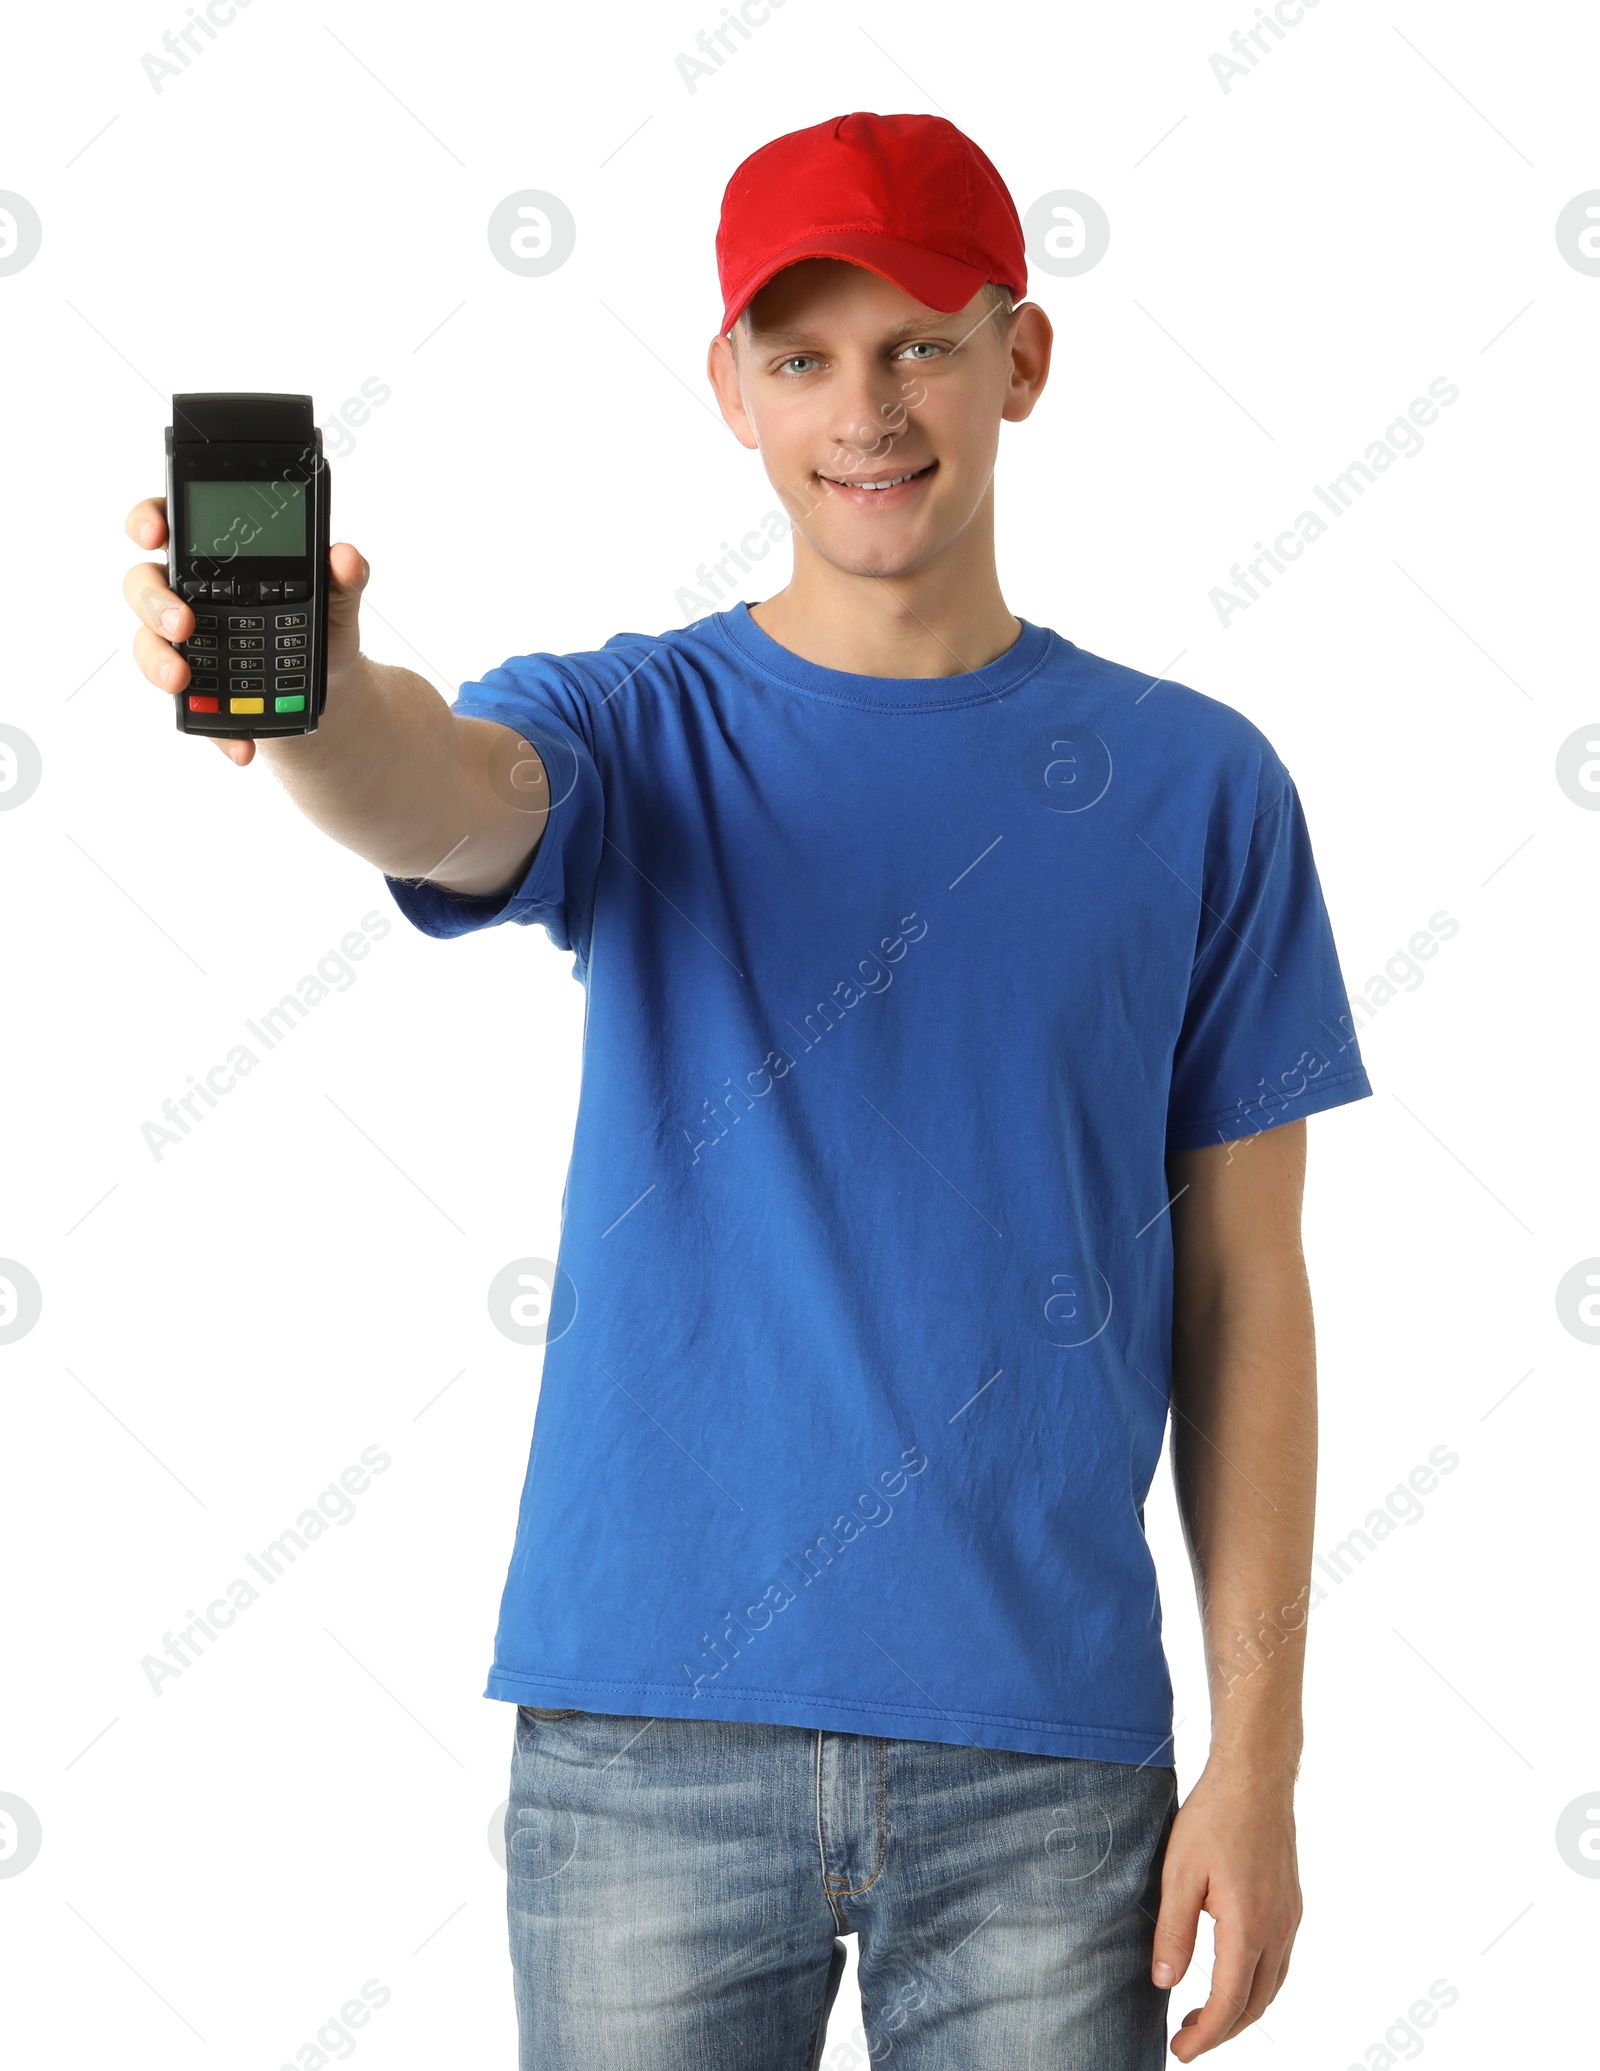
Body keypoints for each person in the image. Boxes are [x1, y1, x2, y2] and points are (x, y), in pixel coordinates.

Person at [122, 109, 1372, 2071]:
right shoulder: (636, 727)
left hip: (1044, 1765)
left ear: (1017, 359)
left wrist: (1258, 1767)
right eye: (800, 355)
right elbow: (439, 796)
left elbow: (1246, 1301)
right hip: (651, 1744)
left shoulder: (1195, 787)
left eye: (917, 345)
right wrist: (313, 696)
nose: (861, 408)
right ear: (729, 387)